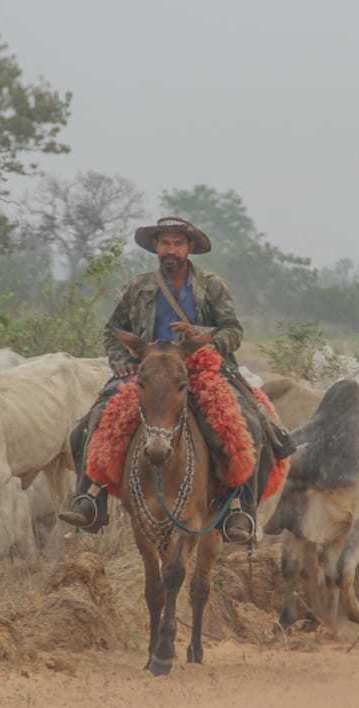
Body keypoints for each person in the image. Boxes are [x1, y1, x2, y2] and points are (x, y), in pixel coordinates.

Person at [57, 216, 294, 543]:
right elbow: (113, 332)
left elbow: (233, 332)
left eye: (178, 244)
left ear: (190, 248)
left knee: (250, 425)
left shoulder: (212, 286)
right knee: (90, 424)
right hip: (148, 370)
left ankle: (241, 511)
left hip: (202, 368)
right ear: (156, 246)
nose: (171, 250)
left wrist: (200, 334)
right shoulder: (138, 287)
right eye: (165, 243)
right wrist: (123, 361)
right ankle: (88, 500)